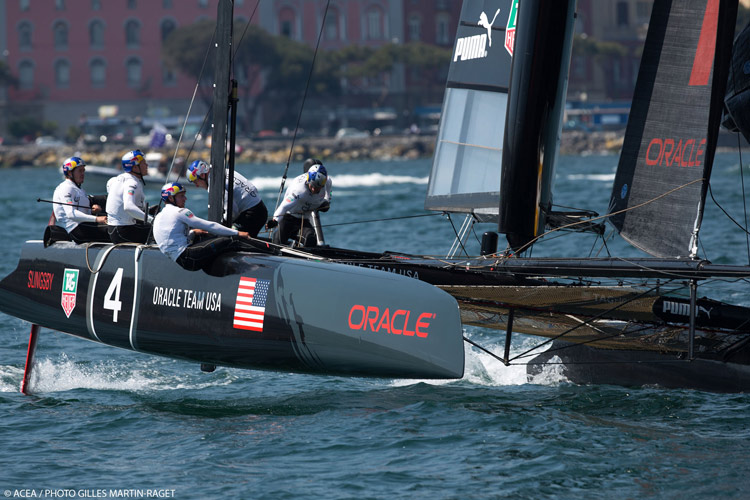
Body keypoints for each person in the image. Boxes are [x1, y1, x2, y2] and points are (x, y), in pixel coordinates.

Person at [153, 182, 252, 271]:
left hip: (182, 260)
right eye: (182, 196)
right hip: (189, 258)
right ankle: (257, 258)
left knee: (204, 236)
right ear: (171, 198)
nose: (185, 199)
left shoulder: (159, 216)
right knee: (229, 239)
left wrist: (193, 233)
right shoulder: (179, 212)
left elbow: (172, 240)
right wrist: (237, 233)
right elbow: (210, 225)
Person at [186, 160, 268, 237]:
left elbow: (232, 211)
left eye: (196, 182)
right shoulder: (223, 171)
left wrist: (221, 225)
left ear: (202, 175)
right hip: (259, 209)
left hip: (252, 214)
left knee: (229, 239)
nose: (196, 186)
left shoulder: (215, 184)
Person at [267, 163, 331, 246]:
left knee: (311, 239)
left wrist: (326, 202)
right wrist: (275, 221)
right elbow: (283, 207)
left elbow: (328, 196)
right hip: (288, 218)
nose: (313, 189)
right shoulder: (299, 191)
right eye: (312, 185)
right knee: (277, 241)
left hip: (304, 220)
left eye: (317, 187)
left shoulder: (328, 181)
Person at [52, 156, 110, 243]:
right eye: (79, 171)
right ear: (70, 173)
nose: (82, 174)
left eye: (83, 170)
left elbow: (81, 211)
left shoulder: (78, 189)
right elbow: (71, 214)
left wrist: (92, 211)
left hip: (84, 225)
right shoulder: (66, 188)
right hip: (77, 230)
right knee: (114, 228)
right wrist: (97, 219)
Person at [105, 149, 153, 244]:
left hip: (113, 229)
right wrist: (152, 220)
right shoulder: (132, 182)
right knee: (160, 228)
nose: (147, 165)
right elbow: (128, 207)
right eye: (143, 163)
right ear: (135, 168)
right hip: (123, 232)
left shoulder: (116, 179)